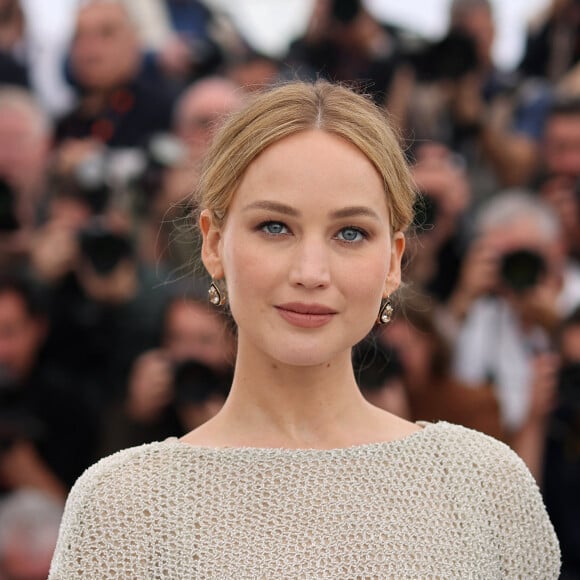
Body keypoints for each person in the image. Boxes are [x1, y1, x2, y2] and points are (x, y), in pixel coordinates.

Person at [49, 81, 560, 578]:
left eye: (350, 233)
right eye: (275, 227)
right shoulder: (122, 509)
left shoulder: (485, 485)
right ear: (213, 243)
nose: (311, 272)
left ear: (393, 261)